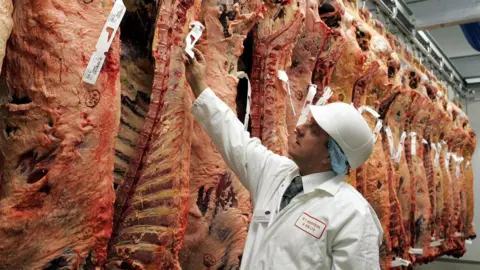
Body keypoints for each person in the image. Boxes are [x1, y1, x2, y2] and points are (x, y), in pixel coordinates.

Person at [184, 48, 383, 270]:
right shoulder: (276, 173)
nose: (299, 128)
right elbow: (233, 138)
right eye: (306, 123)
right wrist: (198, 84)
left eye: (313, 131)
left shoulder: (353, 214)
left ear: (331, 155)